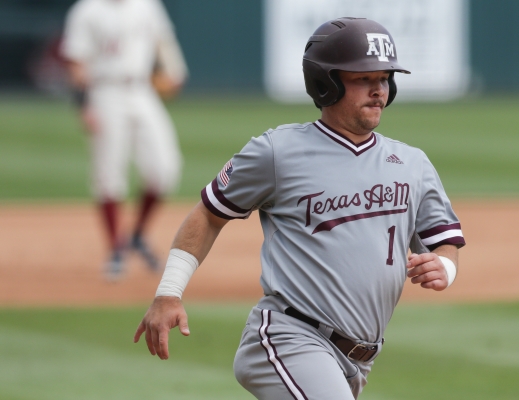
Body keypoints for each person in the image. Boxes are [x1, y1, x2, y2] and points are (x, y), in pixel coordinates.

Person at [134, 17, 465, 399]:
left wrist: (446, 267)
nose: (378, 90)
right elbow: (208, 214)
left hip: (358, 359)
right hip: (289, 338)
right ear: (327, 82)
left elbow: (443, 242)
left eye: (384, 79)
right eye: (363, 79)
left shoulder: (412, 164)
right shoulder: (278, 152)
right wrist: (168, 293)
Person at [60, 0, 188, 280]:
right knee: (108, 174)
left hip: (142, 91)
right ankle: (115, 248)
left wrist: (175, 71)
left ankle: (138, 235)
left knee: (164, 169)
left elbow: (162, 40)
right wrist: (84, 104)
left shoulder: (147, 5)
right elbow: (75, 60)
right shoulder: (87, 10)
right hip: (105, 91)